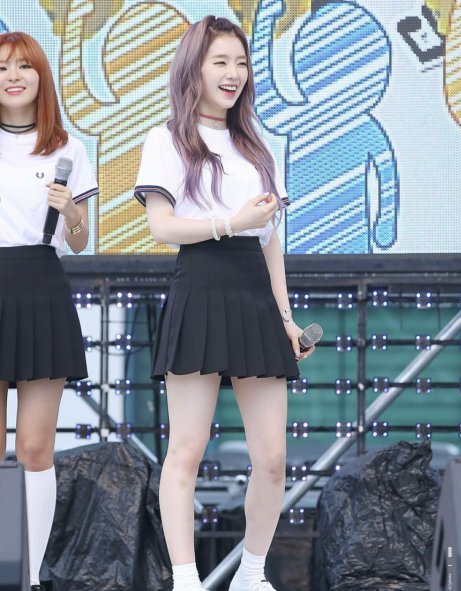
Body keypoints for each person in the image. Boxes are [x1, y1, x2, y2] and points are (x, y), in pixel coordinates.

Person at [134, 16, 315, 591]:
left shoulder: (257, 144)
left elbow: (271, 241)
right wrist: (230, 222)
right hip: (201, 287)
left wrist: (286, 318)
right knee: (187, 449)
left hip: (254, 294)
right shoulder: (167, 138)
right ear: (194, 68)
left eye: (241, 62)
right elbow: (162, 227)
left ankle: (252, 574)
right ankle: (186, 579)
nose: (233, 73)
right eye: (220, 62)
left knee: (273, 456)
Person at [0, 32, 98, 591]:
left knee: (35, 448)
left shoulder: (67, 149)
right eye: (2, 67)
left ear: (41, 76)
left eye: (23, 66)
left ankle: (31, 576)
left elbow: (79, 242)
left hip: (41, 285)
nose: (12, 76)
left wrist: (72, 214)